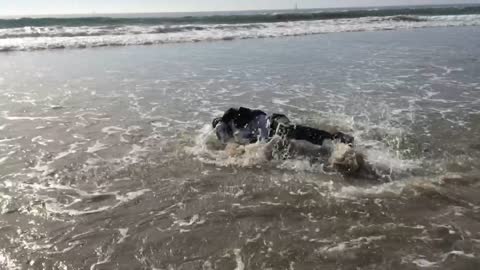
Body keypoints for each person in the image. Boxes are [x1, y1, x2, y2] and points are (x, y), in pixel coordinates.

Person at [212, 107, 354, 147]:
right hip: (271, 131)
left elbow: (238, 111)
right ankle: (329, 141)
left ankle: (336, 137)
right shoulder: (238, 134)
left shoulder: (236, 117)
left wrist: (228, 118)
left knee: (288, 130)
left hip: (275, 120)